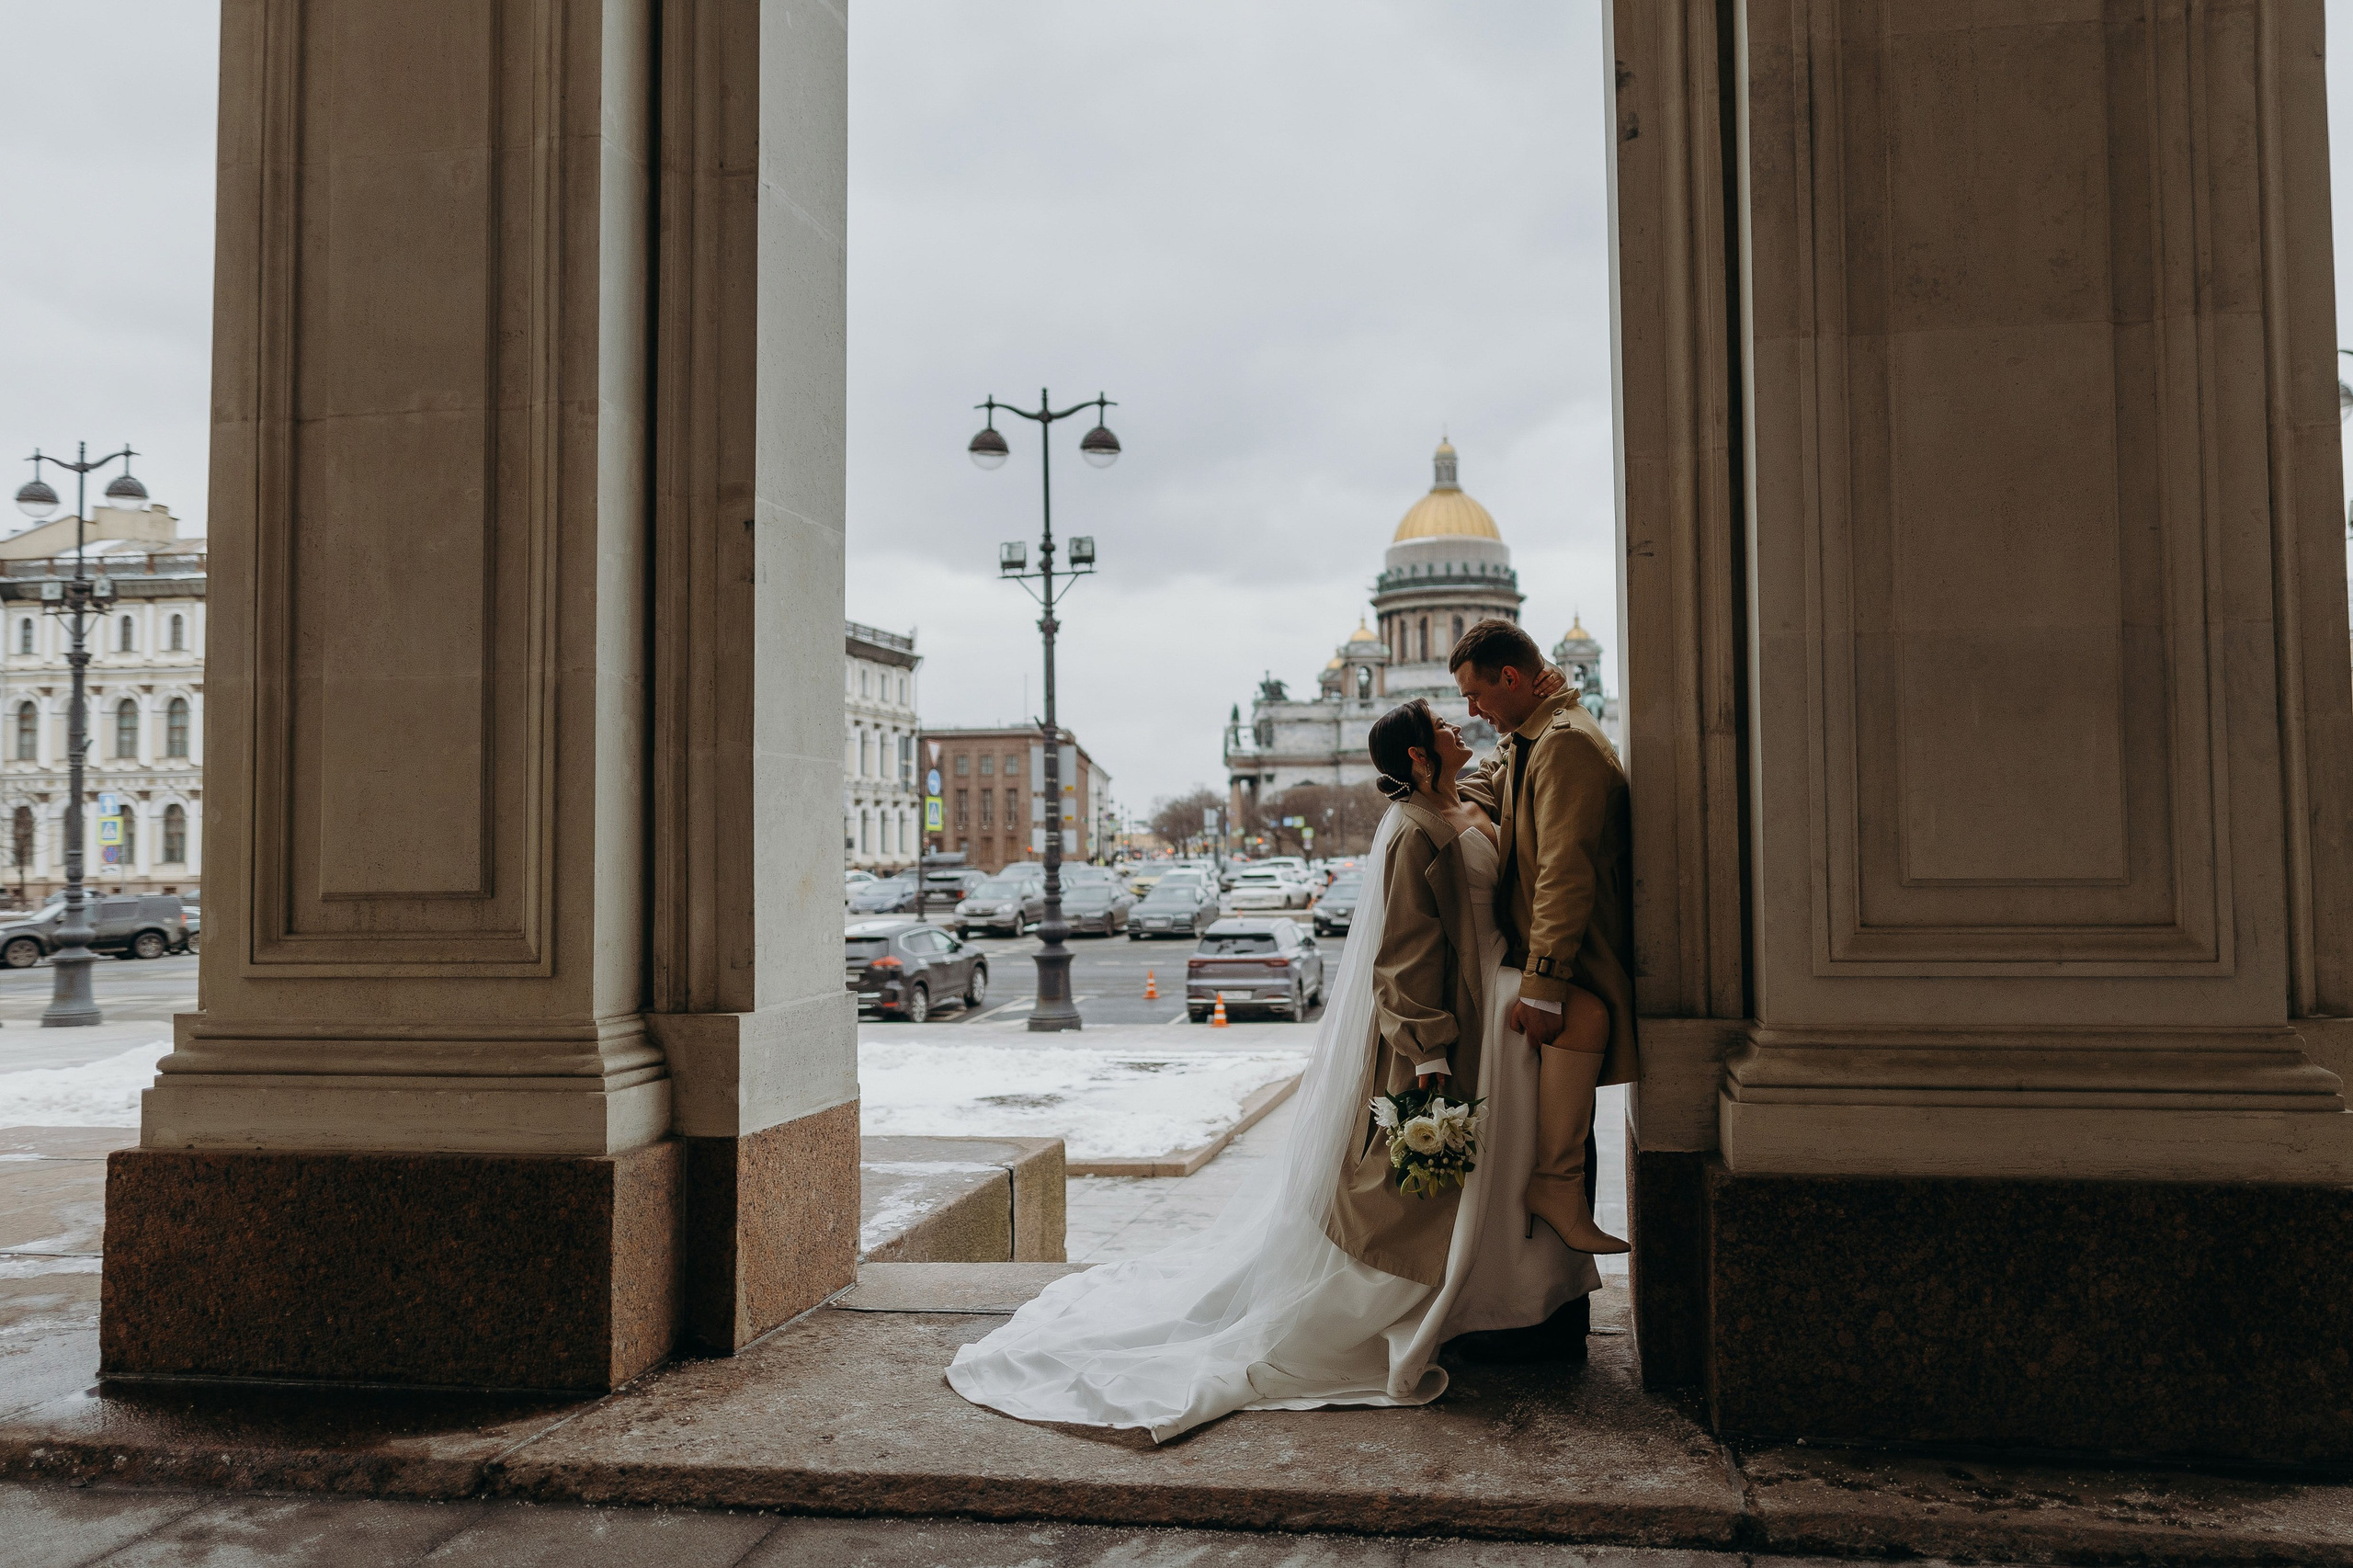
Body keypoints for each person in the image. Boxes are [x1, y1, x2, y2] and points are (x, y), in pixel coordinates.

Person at [943, 699, 1597, 1441]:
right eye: (1442, 727)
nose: (1458, 726)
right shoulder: (1414, 829)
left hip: (1485, 1003)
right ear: (1419, 756)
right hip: (1457, 1015)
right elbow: (1404, 955)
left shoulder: (1459, 797)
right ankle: (1437, 1306)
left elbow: (1504, 773)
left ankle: (1486, 1299)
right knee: (1427, 1184)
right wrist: (1428, 1051)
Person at [1449, 618, 1635, 1267]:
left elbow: (1564, 870)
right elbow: (1494, 777)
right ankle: (1557, 1210)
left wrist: (1544, 984)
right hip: (1543, 959)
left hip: (1565, 963)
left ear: (1510, 676)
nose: (1472, 713)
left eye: (1476, 696)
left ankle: (1559, 1198)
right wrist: (1437, 791)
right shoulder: (1539, 732)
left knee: (1569, 1120)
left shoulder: (1564, 744)